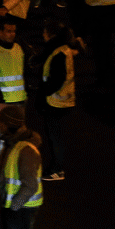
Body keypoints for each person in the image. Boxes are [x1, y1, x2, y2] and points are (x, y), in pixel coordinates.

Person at [0, 105, 43, 229]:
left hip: (22, 208)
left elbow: (30, 185)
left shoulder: (25, 150)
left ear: (8, 124)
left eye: (0, 123)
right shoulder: (13, 143)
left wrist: (15, 206)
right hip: (14, 205)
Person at [38, 20, 77, 181]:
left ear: (50, 34)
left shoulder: (57, 53)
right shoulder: (63, 49)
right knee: (56, 136)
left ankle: (57, 170)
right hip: (64, 100)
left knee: (55, 138)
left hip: (56, 102)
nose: (42, 35)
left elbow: (56, 80)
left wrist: (43, 92)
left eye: (44, 32)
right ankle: (57, 167)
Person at [0, 19, 28, 105]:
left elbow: (25, 72)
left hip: (21, 99)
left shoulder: (19, 48)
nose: (12, 34)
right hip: (3, 101)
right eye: (9, 31)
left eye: (14, 31)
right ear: (0, 32)